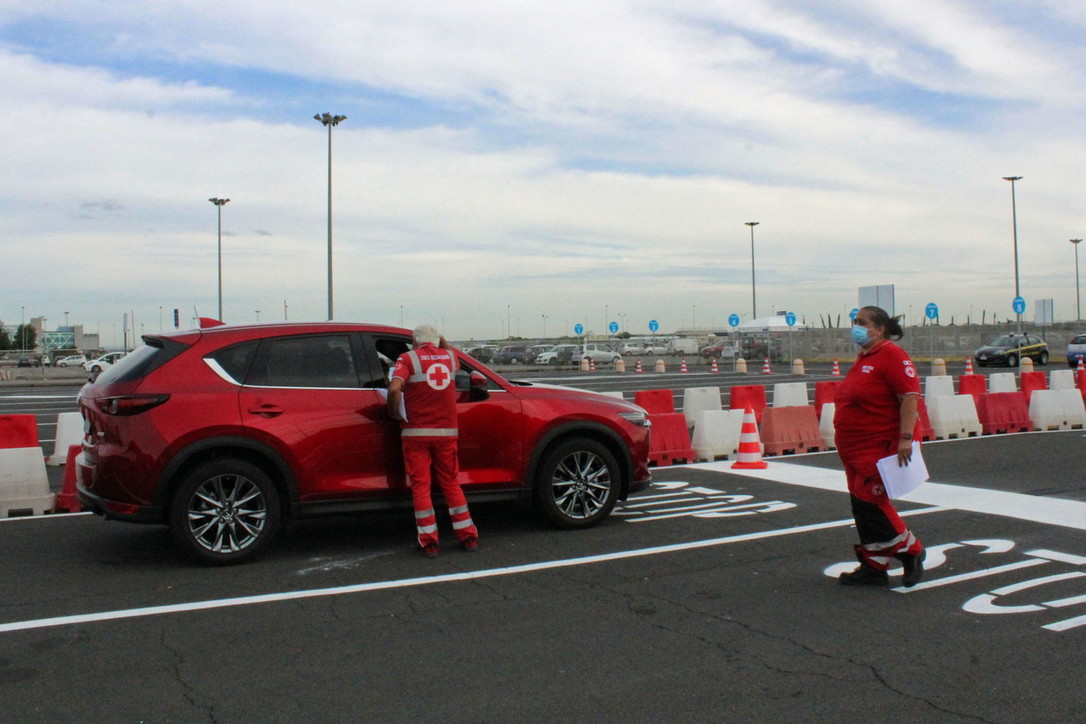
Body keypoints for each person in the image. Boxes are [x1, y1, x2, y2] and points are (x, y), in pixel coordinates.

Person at [833, 306, 925, 587]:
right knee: (859, 505)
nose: (856, 327)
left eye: (861, 322)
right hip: (855, 447)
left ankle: (910, 549)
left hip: (879, 445)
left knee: (870, 501)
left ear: (879, 328)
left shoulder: (892, 355)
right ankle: (874, 565)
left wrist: (905, 438)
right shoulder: (865, 357)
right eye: (855, 322)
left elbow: (909, 396)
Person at [387, 324, 479, 557]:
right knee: (451, 483)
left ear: (415, 341)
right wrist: (439, 340)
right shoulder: (449, 358)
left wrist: (394, 412)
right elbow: (450, 351)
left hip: (416, 433)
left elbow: (395, 389)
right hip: (446, 433)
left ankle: (429, 542)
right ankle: (467, 536)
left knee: (421, 487)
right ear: (438, 340)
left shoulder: (408, 358)